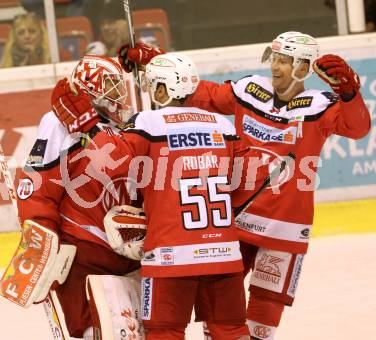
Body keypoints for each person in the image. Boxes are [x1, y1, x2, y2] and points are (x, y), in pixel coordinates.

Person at [116, 32, 371, 339]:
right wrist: (155, 61)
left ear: (303, 69)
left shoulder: (321, 106)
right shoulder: (250, 91)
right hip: (236, 221)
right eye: (274, 58)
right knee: (222, 314)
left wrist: (349, 93)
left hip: (285, 229)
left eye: (285, 61)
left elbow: (358, 128)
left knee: (263, 319)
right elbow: (196, 93)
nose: (275, 66)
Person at [74, 53, 252, 340]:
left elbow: (110, 163)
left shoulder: (147, 124)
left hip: (169, 257)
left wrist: (86, 126)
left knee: (164, 332)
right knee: (231, 330)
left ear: (161, 90)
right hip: (224, 253)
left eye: (151, 85)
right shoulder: (224, 126)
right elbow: (245, 181)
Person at [0, 55, 141, 339]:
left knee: (134, 330)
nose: (118, 93)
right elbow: (38, 185)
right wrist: (41, 240)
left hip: (128, 253)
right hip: (84, 250)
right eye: (111, 84)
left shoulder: (122, 127)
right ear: (90, 86)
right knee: (92, 330)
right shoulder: (57, 122)